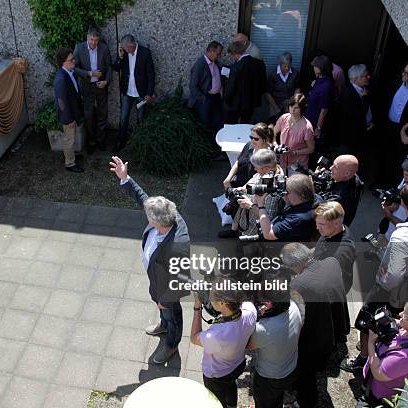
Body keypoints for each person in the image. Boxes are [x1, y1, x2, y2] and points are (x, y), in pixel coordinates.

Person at [110, 156, 190, 364]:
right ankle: (164, 324)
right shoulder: (165, 214)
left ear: (155, 221)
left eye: (148, 216)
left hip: (168, 290)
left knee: (173, 315)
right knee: (164, 312)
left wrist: (165, 300)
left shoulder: (177, 246)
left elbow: (180, 280)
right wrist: (126, 178)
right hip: (157, 279)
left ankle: (171, 345)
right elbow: (143, 198)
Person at [342, 185, 408, 373]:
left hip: (391, 292)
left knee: (368, 321)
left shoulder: (403, 235)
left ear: (402, 202)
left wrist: (382, 280)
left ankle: (363, 359)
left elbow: (393, 276)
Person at [282, 242, 345, 408]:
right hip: (336, 326)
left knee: (306, 375)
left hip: (315, 339)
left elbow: (297, 318)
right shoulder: (332, 262)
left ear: (295, 265)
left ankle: (306, 401)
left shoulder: (298, 285)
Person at [191, 279, 257, 408]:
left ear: (222, 303)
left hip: (217, 375)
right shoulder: (250, 311)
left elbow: (194, 338)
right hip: (237, 364)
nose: (209, 298)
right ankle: (232, 405)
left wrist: (197, 306)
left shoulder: (216, 335)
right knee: (231, 385)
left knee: (216, 399)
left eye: (211, 296)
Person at [247, 283, 303, 408]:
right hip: (290, 367)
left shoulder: (263, 329)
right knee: (276, 397)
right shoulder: (293, 307)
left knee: (265, 402)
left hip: (270, 377)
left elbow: (249, 345)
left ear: (267, 303)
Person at [312, 201, 355, 344]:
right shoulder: (332, 232)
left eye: (321, 224)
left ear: (337, 223)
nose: (317, 228)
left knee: (330, 321)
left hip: (330, 292)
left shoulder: (341, 252)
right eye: (317, 223)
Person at [218, 149, 284, 238]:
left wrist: (250, 206)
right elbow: (253, 180)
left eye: (256, 167)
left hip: (254, 230)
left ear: (266, 169)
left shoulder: (274, 189)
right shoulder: (266, 173)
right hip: (245, 219)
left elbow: (268, 218)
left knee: (250, 250)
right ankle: (235, 232)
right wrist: (242, 189)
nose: (254, 169)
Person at [112, 34, 155, 153]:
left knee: (141, 118)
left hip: (141, 93)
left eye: (126, 49)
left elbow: (151, 74)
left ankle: (140, 143)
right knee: (123, 117)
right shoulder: (124, 54)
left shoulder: (145, 53)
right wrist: (120, 57)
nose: (124, 51)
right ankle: (121, 141)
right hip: (127, 92)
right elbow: (115, 68)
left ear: (131, 46)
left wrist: (149, 93)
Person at [73, 26, 112, 153]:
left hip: (101, 86)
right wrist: (89, 73)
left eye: (96, 40)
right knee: (88, 114)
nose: (94, 43)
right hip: (87, 86)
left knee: (102, 113)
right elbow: (74, 68)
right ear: (87, 38)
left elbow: (109, 67)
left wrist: (106, 81)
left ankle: (101, 140)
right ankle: (91, 141)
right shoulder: (79, 48)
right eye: (91, 40)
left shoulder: (104, 48)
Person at [360, 302, 408, 406]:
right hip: (371, 381)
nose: (400, 313)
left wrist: (371, 343)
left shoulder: (404, 357)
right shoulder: (405, 329)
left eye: (404, 314)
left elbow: (378, 373)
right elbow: (397, 324)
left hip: (379, 397)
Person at [252, 174, 318, 242]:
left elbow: (268, 234)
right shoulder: (314, 199)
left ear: (301, 195)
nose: (284, 194)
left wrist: (261, 205)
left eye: (287, 192)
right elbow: (306, 187)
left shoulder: (297, 219)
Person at [54, 47, 84, 173]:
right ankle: (70, 163)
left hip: (73, 113)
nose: (74, 61)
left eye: (73, 59)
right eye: (71, 60)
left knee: (71, 138)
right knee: (69, 140)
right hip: (68, 116)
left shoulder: (69, 72)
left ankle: (71, 156)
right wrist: (68, 119)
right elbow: (61, 102)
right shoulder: (61, 79)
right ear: (63, 62)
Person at [224, 41, 267, 124]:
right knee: (246, 125)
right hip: (252, 102)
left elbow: (231, 87)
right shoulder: (259, 64)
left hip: (236, 104)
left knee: (232, 127)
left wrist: (226, 100)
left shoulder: (236, 67)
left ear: (235, 53)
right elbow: (263, 84)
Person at [222, 122, 275, 190]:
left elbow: (265, 179)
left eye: (256, 139)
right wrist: (228, 178)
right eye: (251, 137)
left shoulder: (269, 155)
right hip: (238, 184)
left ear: (265, 139)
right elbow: (238, 162)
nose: (252, 141)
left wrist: (244, 189)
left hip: (254, 190)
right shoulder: (249, 145)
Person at [188, 41, 224, 137]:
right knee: (205, 124)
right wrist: (203, 99)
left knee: (217, 122)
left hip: (216, 98)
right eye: (218, 53)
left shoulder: (215, 62)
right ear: (211, 51)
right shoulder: (200, 65)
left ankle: (216, 144)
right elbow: (192, 86)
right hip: (205, 98)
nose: (219, 56)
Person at [274, 93, 315, 175]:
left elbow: (311, 149)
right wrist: (276, 146)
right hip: (282, 162)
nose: (292, 110)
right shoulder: (284, 118)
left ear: (302, 109)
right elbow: (273, 134)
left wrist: (294, 152)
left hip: (298, 165)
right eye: (291, 106)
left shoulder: (307, 127)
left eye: (296, 108)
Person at [338, 64, 373, 159]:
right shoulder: (348, 94)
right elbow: (358, 114)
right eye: (365, 76)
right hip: (351, 137)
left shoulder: (364, 89)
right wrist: (365, 98)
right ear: (356, 79)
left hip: (362, 133)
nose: (368, 77)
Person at [381, 62, 408, 186]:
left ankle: (394, 186)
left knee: (399, 158)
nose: (404, 74)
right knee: (385, 153)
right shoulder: (397, 82)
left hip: (403, 130)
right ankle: (382, 181)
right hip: (389, 124)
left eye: (407, 73)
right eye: (404, 71)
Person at [305, 55, 334, 144]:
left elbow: (324, 110)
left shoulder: (326, 86)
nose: (314, 68)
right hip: (309, 116)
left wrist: (318, 128)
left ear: (322, 68)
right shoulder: (319, 79)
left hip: (315, 120)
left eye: (316, 66)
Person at [328, 154, 363, 227]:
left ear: (347, 174)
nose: (330, 168)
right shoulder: (353, 177)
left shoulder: (340, 196)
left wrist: (311, 189)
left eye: (335, 167)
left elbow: (319, 209)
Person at [265, 52, 301, 120]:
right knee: (274, 122)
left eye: (289, 66)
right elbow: (267, 93)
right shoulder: (273, 75)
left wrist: (293, 102)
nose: (287, 68)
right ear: (280, 64)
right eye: (284, 66)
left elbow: (297, 89)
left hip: (289, 102)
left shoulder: (295, 73)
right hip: (275, 102)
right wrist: (276, 109)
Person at [381, 158, 408, 242]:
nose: (405, 179)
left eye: (407, 176)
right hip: (389, 230)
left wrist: (389, 216)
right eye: (404, 175)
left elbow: (405, 228)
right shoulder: (404, 181)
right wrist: (393, 205)